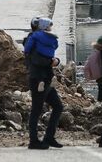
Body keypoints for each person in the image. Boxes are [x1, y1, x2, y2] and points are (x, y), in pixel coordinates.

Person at [23, 17, 64, 150]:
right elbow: (36, 60)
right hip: (38, 79)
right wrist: (52, 62)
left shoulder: (40, 40)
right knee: (36, 110)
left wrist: (55, 60)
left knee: (58, 106)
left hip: (46, 79)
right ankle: (33, 141)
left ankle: (49, 137)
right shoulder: (32, 41)